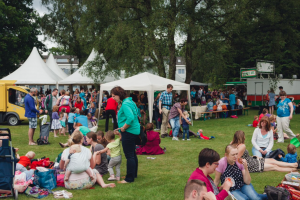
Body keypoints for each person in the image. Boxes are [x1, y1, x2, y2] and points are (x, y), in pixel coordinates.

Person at [231, 130, 300, 173]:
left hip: (251, 160)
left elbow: (241, 156)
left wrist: (252, 157)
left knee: (272, 160)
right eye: (244, 136)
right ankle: (294, 168)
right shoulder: (242, 146)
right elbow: (236, 159)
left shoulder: (232, 144)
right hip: (251, 165)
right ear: (242, 137)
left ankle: (294, 165)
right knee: (274, 166)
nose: (245, 137)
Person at [111, 86, 140, 183]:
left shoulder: (125, 104)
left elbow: (130, 118)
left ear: (119, 95)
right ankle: (133, 174)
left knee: (129, 156)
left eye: (114, 96)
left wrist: (123, 128)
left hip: (129, 132)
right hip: (134, 130)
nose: (113, 98)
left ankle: (129, 178)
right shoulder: (130, 101)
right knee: (132, 154)